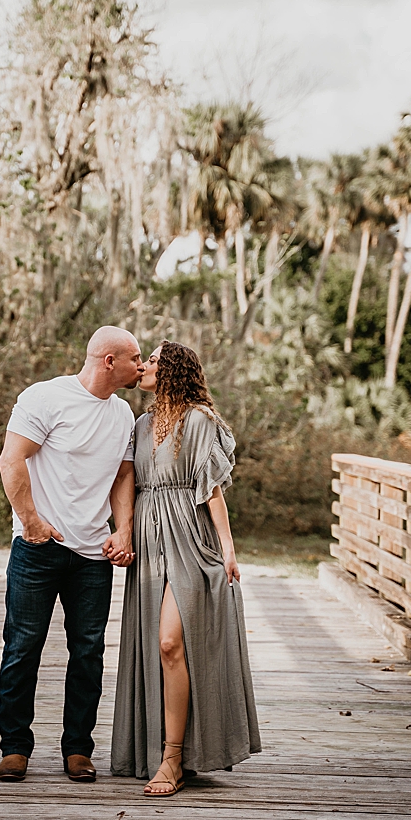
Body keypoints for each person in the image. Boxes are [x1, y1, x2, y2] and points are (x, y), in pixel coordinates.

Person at [111, 340, 260, 796]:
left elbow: (212, 490)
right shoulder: (139, 424)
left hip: (191, 541)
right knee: (158, 649)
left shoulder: (199, 421)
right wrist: (124, 533)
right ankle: (164, 750)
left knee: (171, 641)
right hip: (150, 546)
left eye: (152, 360)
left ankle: (173, 760)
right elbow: (127, 485)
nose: (144, 367)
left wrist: (228, 550)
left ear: (172, 369)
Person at [0, 326, 142, 783]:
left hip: (94, 556)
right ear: (109, 361)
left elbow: (122, 477)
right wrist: (32, 520)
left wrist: (123, 530)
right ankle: (15, 747)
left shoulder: (123, 416)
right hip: (38, 550)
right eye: (135, 357)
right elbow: (11, 459)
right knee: (22, 649)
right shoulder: (45, 398)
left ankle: (78, 749)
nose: (142, 366)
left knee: (88, 653)